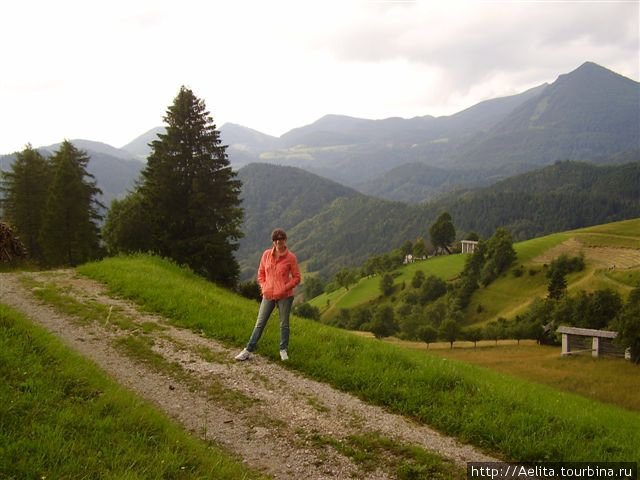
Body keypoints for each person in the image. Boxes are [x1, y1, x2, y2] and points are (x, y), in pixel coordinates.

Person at [235, 229, 301, 361]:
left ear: (285, 240)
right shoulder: (266, 255)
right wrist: (264, 287)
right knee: (260, 323)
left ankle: (283, 350)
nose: (278, 241)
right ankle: (248, 350)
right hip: (268, 294)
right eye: (276, 239)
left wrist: (284, 288)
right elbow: (260, 274)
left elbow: (297, 278)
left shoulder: (291, 258)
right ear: (273, 241)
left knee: (284, 324)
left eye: (281, 239)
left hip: (285, 296)